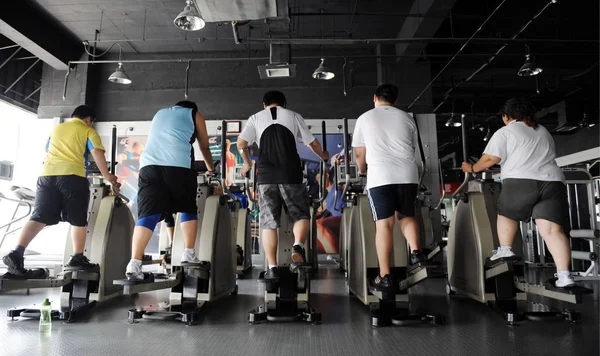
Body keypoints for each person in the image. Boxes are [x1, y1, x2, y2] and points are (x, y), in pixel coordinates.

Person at [461, 98, 576, 288]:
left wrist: (472, 168)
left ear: (506, 116)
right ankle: (565, 276)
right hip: (553, 182)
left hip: (521, 179)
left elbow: (490, 159)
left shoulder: (506, 131)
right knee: (553, 231)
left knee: (506, 212)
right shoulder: (542, 131)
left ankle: (505, 249)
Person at [2, 105, 118, 278]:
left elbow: (48, 149)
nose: (91, 125)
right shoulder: (87, 131)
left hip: (46, 176)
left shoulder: (57, 129)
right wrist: (108, 176)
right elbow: (97, 153)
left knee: (39, 217)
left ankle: (17, 253)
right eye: (91, 122)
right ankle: (77, 257)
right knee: (78, 219)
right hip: (72, 176)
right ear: (88, 119)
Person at [237, 91, 328, 280]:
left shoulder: (255, 118)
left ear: (264, 104)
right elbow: (313, 143)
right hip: (291, 174)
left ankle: (272, 268)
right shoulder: (293, 115)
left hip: (266, 177)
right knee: (301, 214)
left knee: (269, 223)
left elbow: (241, 143)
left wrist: (247, 164)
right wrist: (324, 156)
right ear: (283, 104)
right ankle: (298, 247)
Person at [125, 101, 215, 280]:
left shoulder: (160, 112)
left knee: (148, 214)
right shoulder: (194, 114)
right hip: (178, 166)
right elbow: (204, 146)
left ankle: (134, 263)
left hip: (148, 167)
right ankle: (188, 253)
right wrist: (211, 169)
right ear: (192, 108)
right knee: (187, 207)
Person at [352, 83, 425, 291]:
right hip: (407, 175)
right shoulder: (407, 117)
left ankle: (385, 276)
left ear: (374, 97)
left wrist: (362, 169)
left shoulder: (365, 118)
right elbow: (411, 147)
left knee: (384, 225)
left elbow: (359, 154)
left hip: (381, 176)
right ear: (396, 101)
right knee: (406, 216)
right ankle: (416, 252)